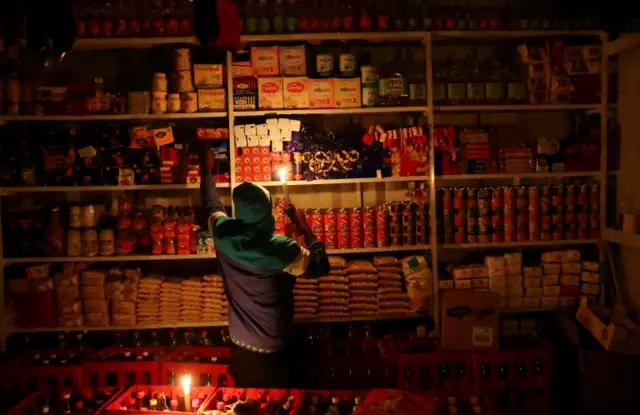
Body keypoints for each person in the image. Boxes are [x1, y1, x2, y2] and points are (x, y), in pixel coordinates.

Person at [201, 149, 330, 387]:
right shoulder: (281, 249)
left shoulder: (223, 234)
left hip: (241, 345)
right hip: (277, 347)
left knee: (248, 403)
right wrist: (302, 226)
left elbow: (211, 205)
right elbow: (321, 265)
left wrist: (207, 171)